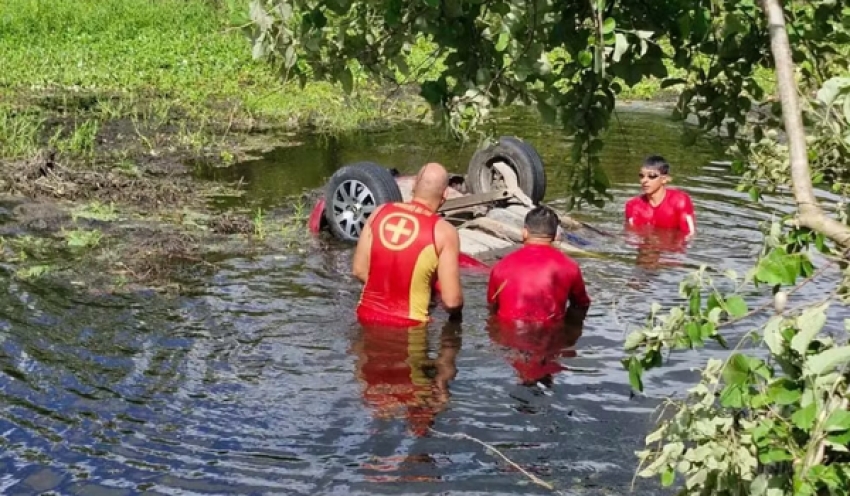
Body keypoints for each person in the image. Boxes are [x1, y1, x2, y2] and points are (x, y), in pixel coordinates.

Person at [352, 162, 464, 327]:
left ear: (413, 185)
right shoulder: (444, 232)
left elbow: (359, 270)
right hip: (411, 330)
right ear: (445, 194)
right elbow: (452, 301)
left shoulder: (379, 212)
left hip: (365, 319)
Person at [486, 205, 591, 324]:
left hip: (507, 336)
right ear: (556, 236)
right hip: (550, 336)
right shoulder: (570, 266)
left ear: (524, 232)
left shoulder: (501, 266)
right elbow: (581, 305)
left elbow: (492, 306)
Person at [624, 155, 696, 236]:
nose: (644, 180)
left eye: (651, 176)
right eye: (641, 176)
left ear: (664, 179)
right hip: (645, 247)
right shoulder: (632, 205)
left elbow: (689, 236)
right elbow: (632, 237)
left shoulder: (680, 201)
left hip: (671, 247)